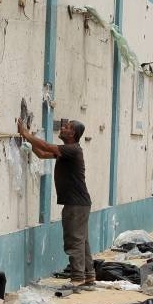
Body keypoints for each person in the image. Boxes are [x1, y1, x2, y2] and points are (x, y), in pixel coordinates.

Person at [16, 117, 95, 290]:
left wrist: (26, 134)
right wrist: (28, 143)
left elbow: (46, 147)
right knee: (82, 241)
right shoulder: (67, 151)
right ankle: (88, 276)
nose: (62, 128)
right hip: (80, 203)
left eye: (66, 127)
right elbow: (43, 154)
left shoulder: (72, 149)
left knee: (74, 240)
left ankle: (77, 278)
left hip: (75, 204)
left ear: (73, 133)